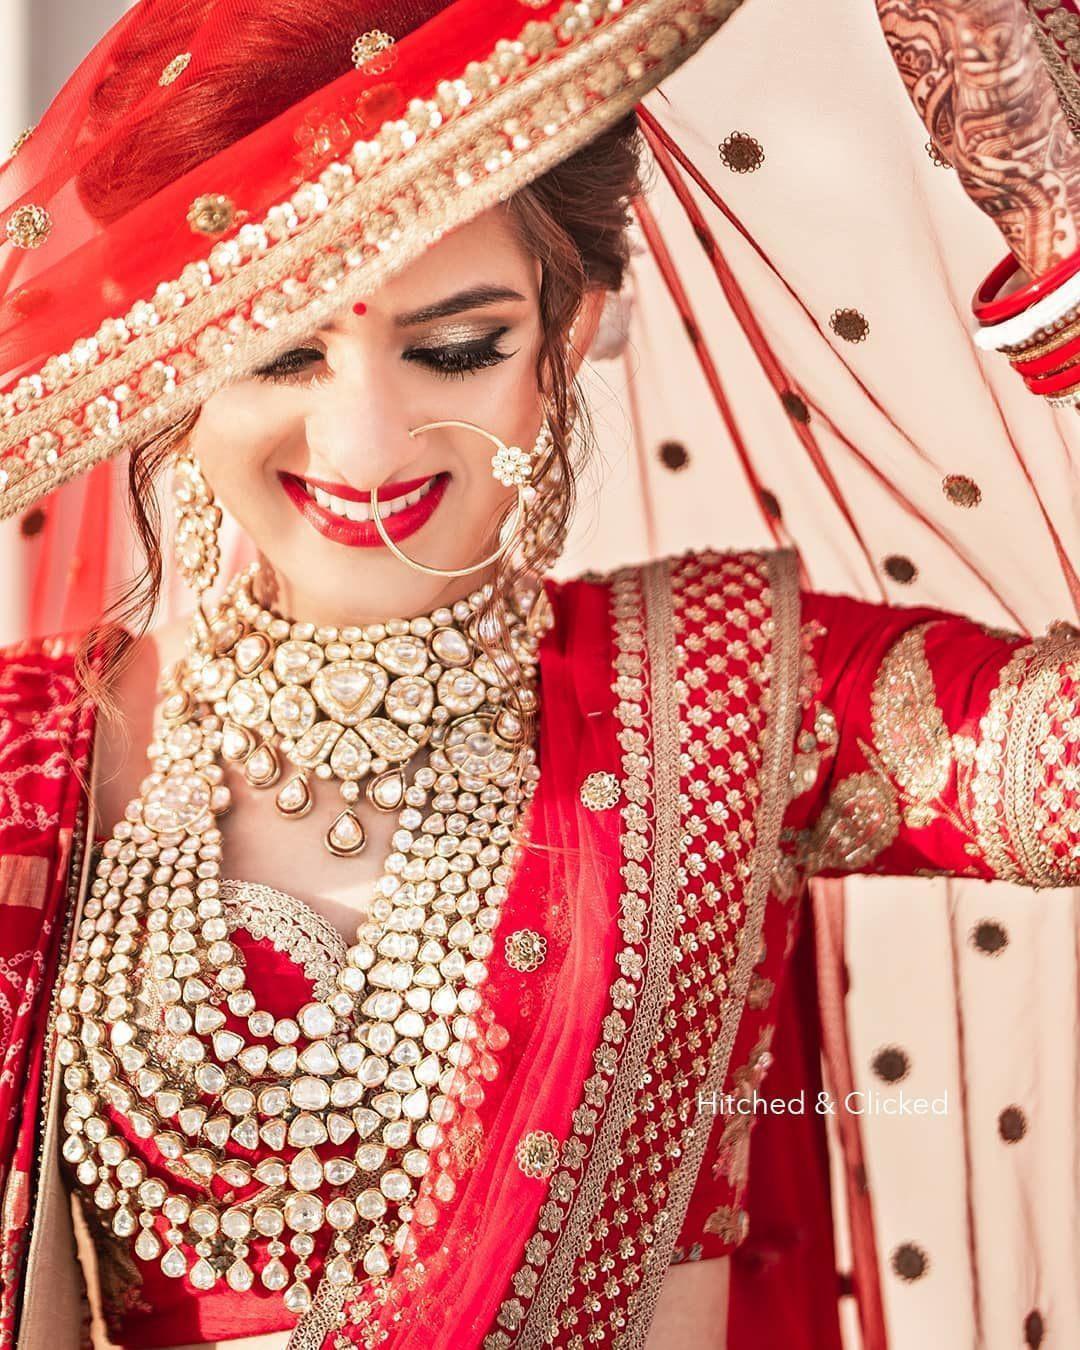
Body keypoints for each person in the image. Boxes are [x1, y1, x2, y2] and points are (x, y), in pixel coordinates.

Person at [0, 1, 1076, 1348]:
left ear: (574, 335)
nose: (364, 440)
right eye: (277, 347)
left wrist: (1056, 222)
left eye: (456, 346)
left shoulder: (720, 699)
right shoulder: (35, 761)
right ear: (171, 359)